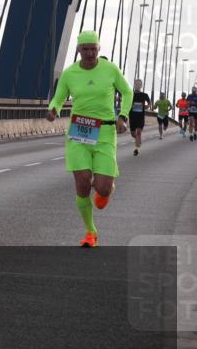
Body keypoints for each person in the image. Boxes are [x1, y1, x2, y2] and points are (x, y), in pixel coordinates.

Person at [46, 31, 131, 248]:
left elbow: (128, 92)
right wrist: (53, 109)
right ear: (78, 50)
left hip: (104, 133)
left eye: (94, 48)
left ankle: (105, 190)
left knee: (102, 188)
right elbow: (59, 96)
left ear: (99, 49)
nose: (90, 53)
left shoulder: (110, 69)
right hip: (78, 132)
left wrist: (123, 115)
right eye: (85, 49)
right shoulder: (69, 73)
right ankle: (90, 232)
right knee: (82, 182)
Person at [128, 79, 151, 156]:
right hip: (132, 116)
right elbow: (125, 101)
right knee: (133, 134)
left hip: (140, 117)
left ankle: (137, 149)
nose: (137, 85)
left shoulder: (144, 95)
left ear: (141, 86)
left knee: (138, 132)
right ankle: (138, 141)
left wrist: (148, 106)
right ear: (134, 85)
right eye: (136, 84)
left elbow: (149, 102)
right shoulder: (130, 94)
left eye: (139, 84)